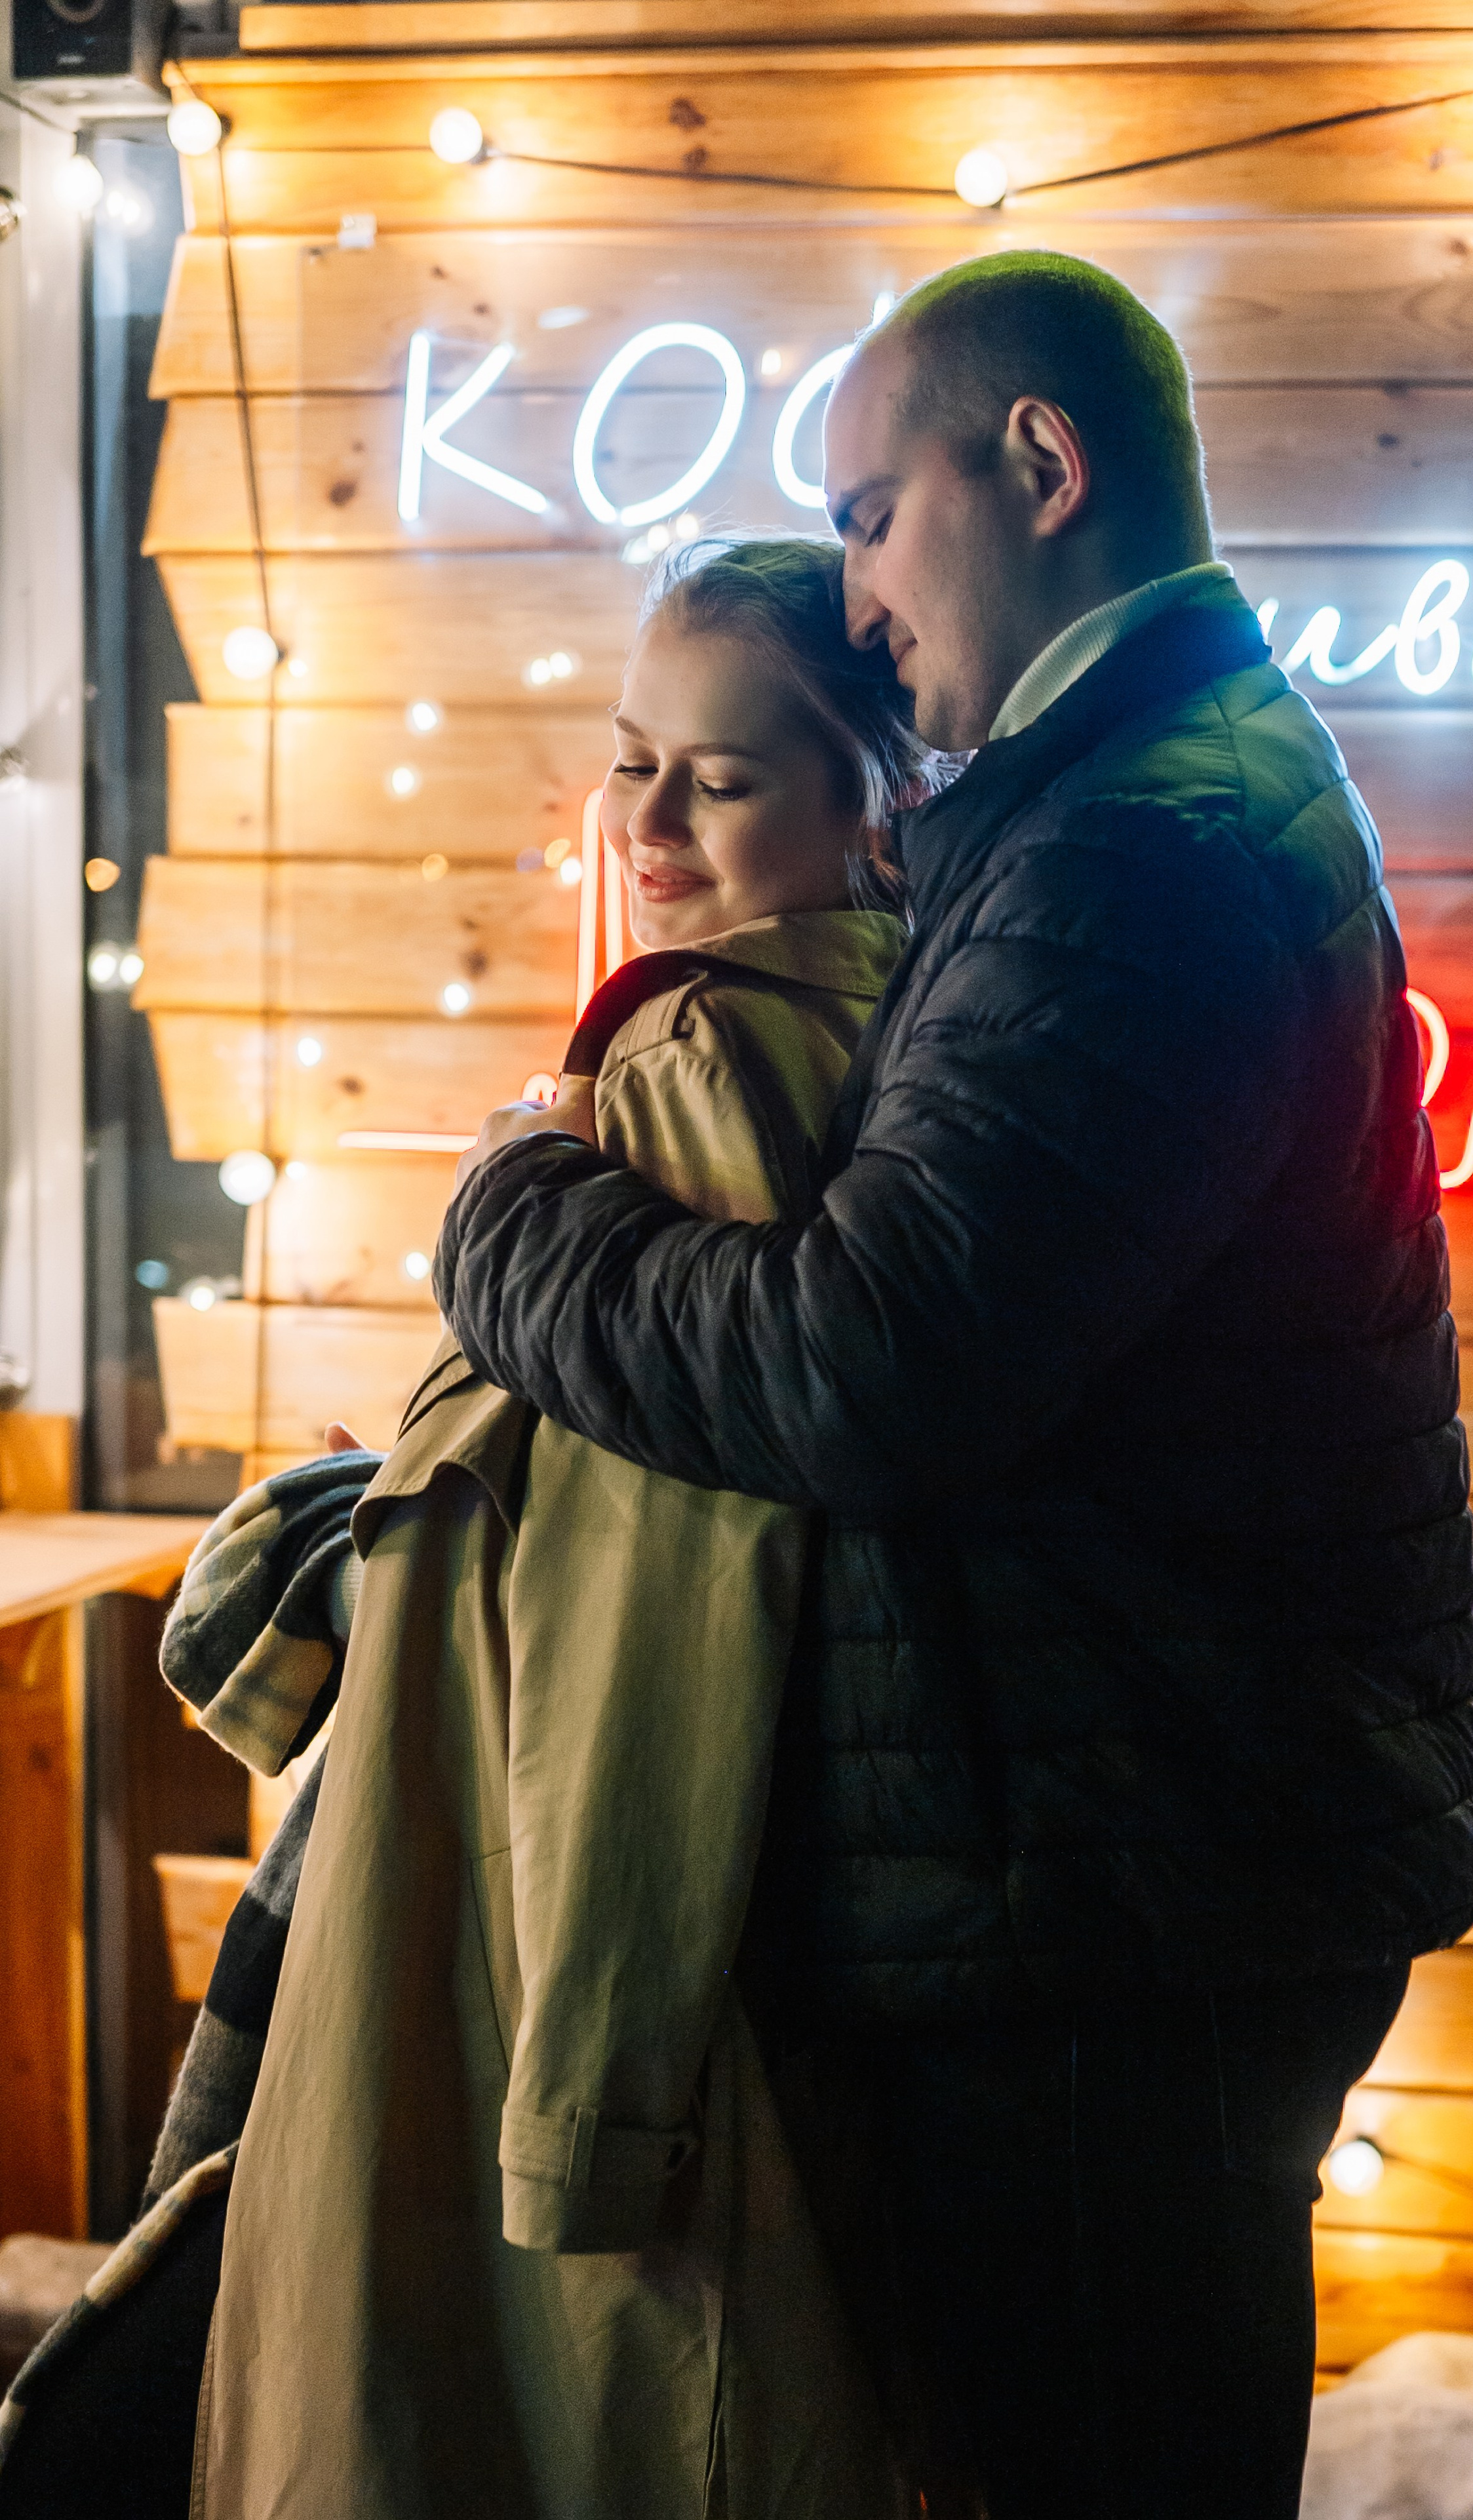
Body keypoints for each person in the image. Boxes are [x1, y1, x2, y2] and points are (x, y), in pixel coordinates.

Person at [437, 250, 1473, 2520]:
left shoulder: (1144, 845)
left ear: (1038, 462)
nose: (854, 587)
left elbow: (869, 1363)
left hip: (1129, 1899)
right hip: (1129, 1860)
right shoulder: (1102, 795)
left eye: (867, 513)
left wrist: (515, 1203)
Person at [186, 538, 935, 2520]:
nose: (655, 820)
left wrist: (595, 2082)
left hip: (537, 1900)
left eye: (726, 774)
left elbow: (666, 1608)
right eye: (632, 761)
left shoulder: (714, 1065)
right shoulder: (822, 1044)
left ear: (876, 802)